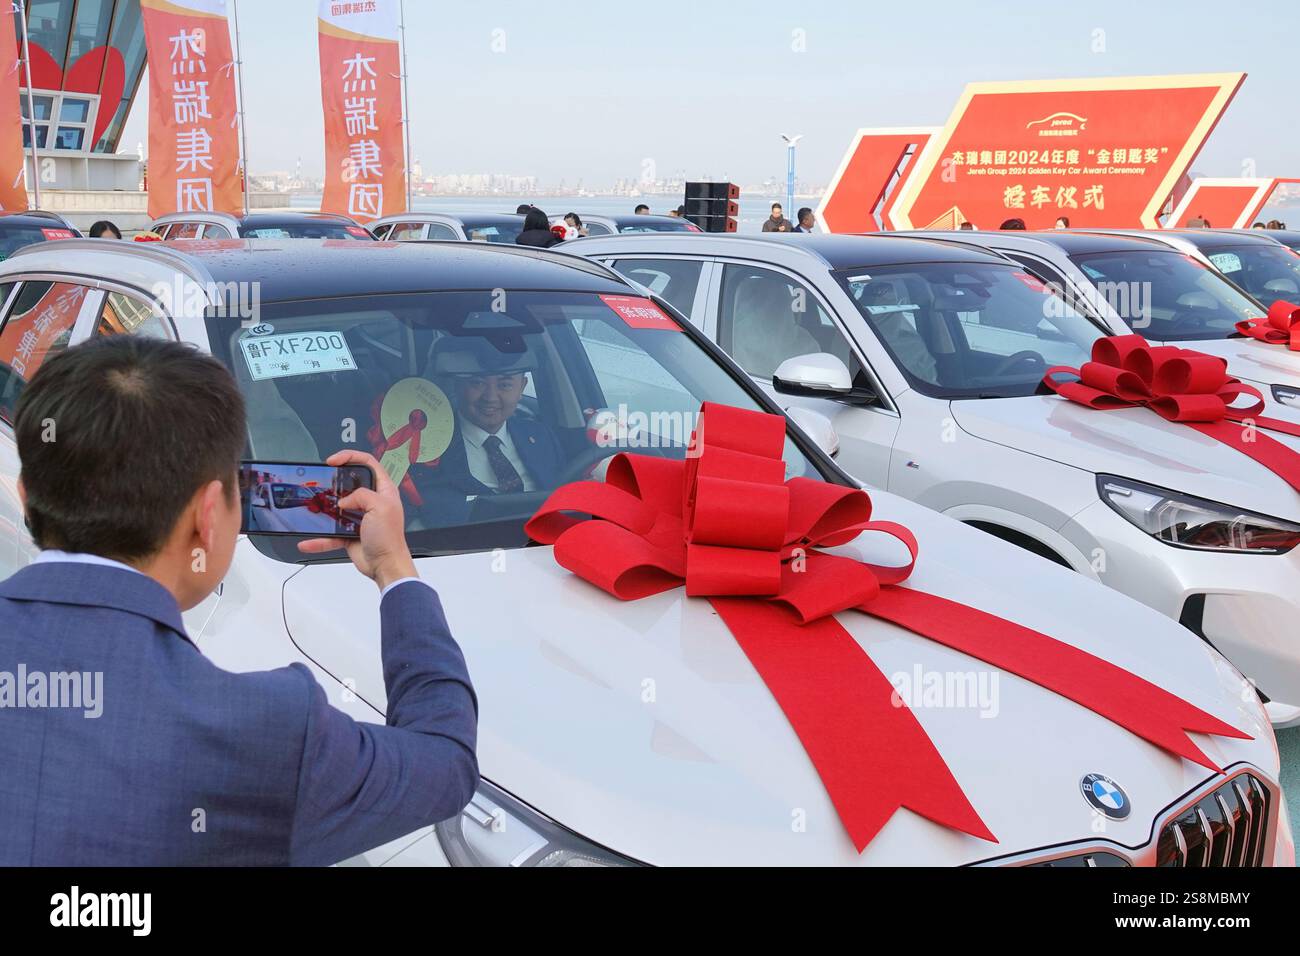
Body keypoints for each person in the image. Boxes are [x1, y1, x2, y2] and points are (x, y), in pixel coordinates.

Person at [0, 336, 478, 865]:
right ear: (209, 515)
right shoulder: (263, 728)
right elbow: (445, 762)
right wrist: (395, 569)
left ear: (26, 496)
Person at [419, 337, 567, 503]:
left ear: (522, 387)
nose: (490, 398)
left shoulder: (541, 436)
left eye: (504, 385)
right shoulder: (424, 445)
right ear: (457, 385)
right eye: (477, 383)